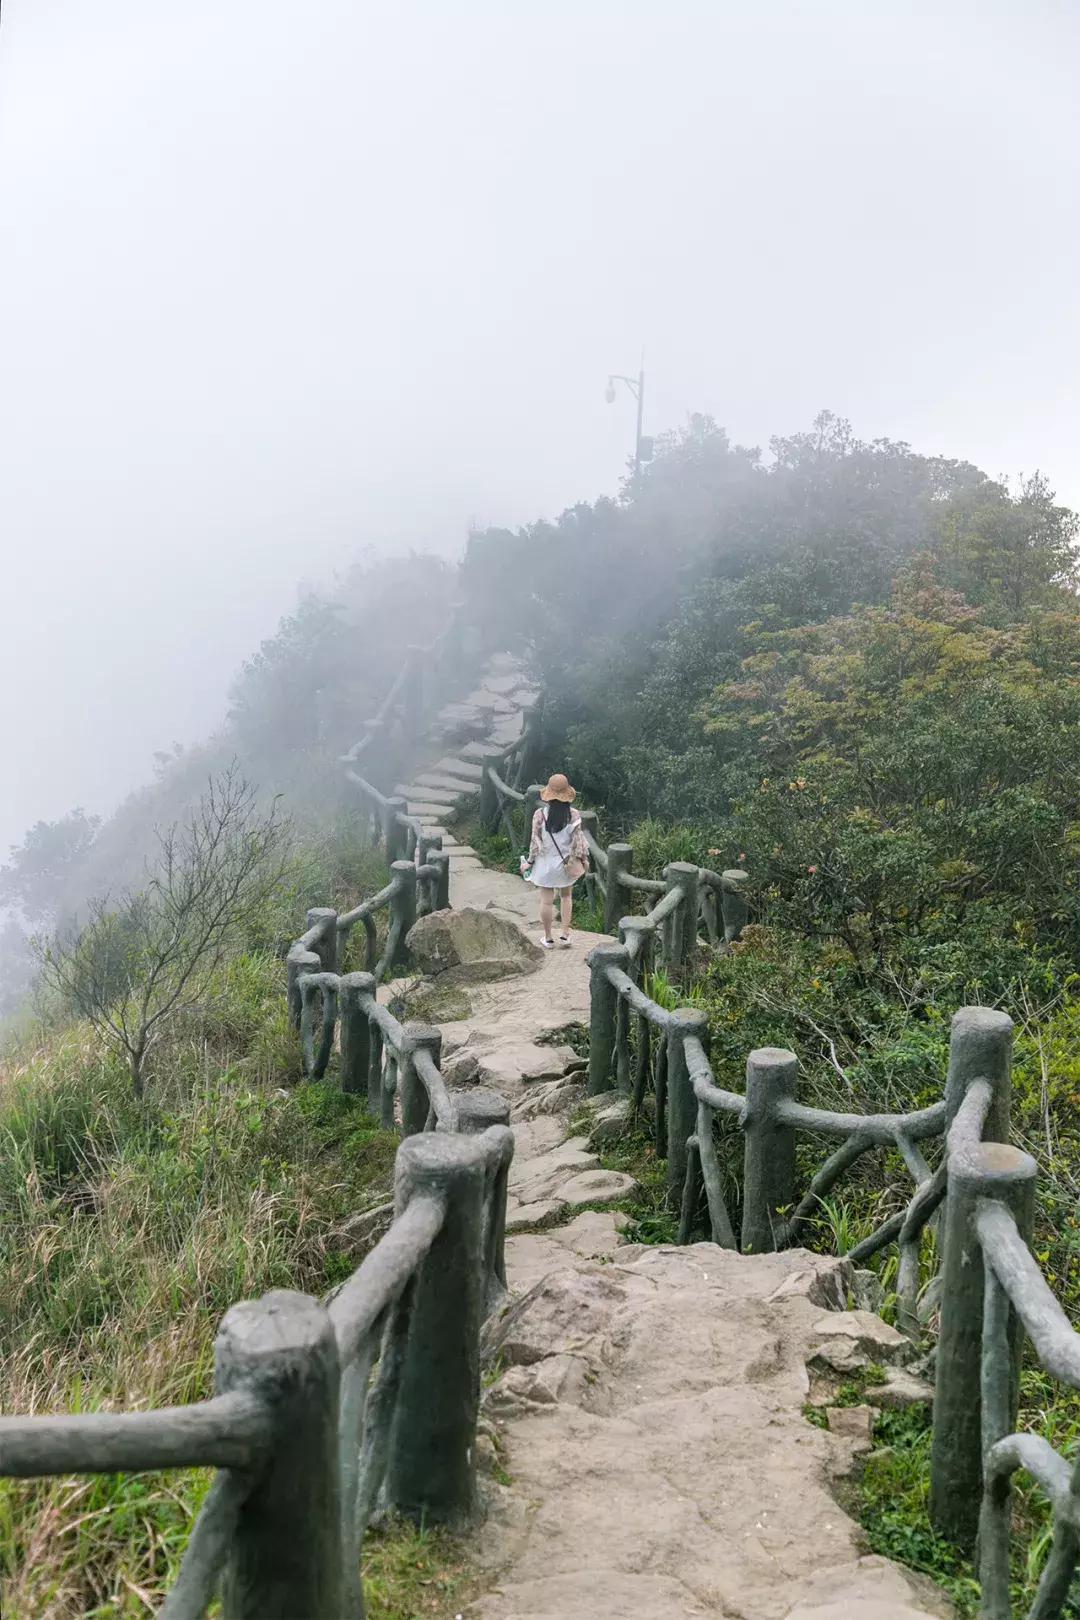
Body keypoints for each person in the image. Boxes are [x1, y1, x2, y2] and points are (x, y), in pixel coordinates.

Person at [521, 773, 590, 948]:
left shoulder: (540, 815)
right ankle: (566, 934)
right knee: (566, 897)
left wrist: (529, 861)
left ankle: (548, 938)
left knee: (546, 901)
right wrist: (583, 859)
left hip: (545, 865)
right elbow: (578, 843)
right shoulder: (573, 816)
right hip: (565, 865)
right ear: (567, 795)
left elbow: (534, 842)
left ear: (548, 795)